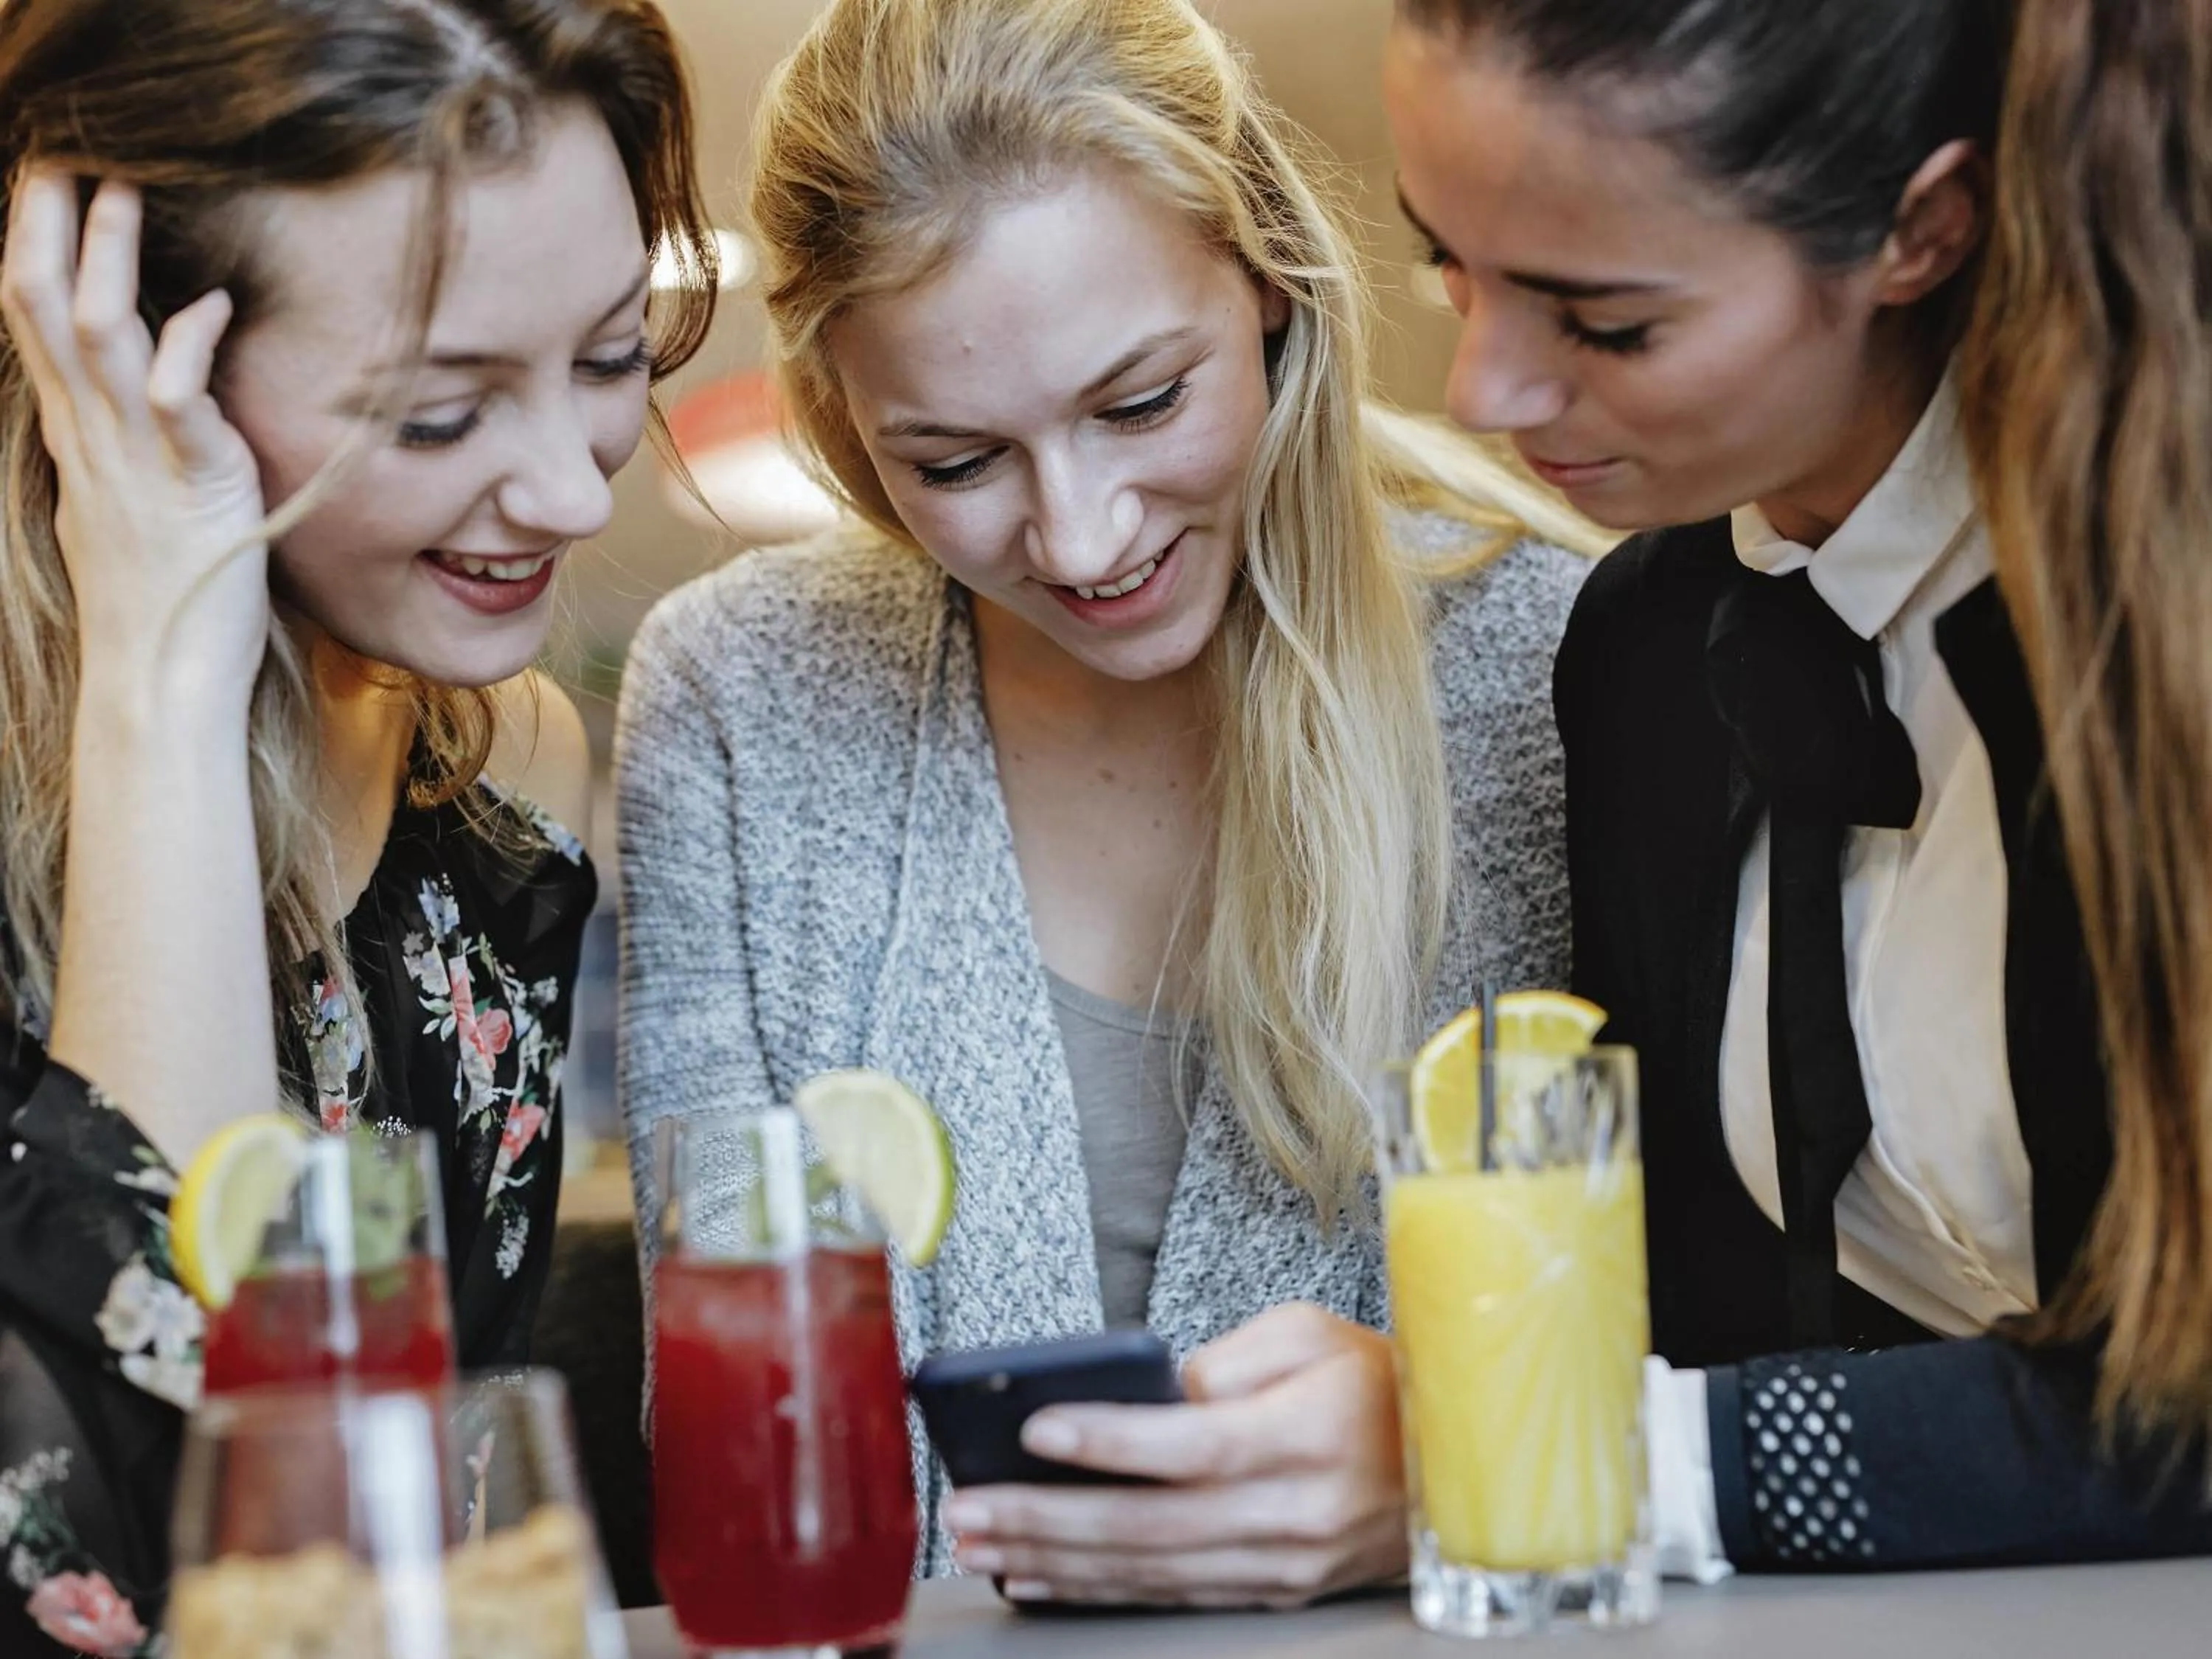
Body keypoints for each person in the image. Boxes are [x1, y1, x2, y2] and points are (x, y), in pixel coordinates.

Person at [617, 0, 1601, 1607]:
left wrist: (1448, 1454)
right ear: (850, 431)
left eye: (1142, 404)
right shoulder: (739, 693)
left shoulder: (1557, 658)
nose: (1077, 541)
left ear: (1273, 279)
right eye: (953, 462)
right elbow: (742, 1407)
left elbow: (1693, 1363)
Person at [1385, 0, 2212, 1572]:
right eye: (1454, 260)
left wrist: (1613, 1463)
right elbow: (1702, 1294)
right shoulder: (1639, 643)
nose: (1479, 390)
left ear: (1921, 231)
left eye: (1605, 323)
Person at [0, 1, 716, 1649]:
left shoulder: (501, 776)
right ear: (126, 348)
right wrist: (170, 681)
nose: (575, 492)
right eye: (440, 414)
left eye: (611, 357)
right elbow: (142, 1552)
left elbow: (360, 1561)